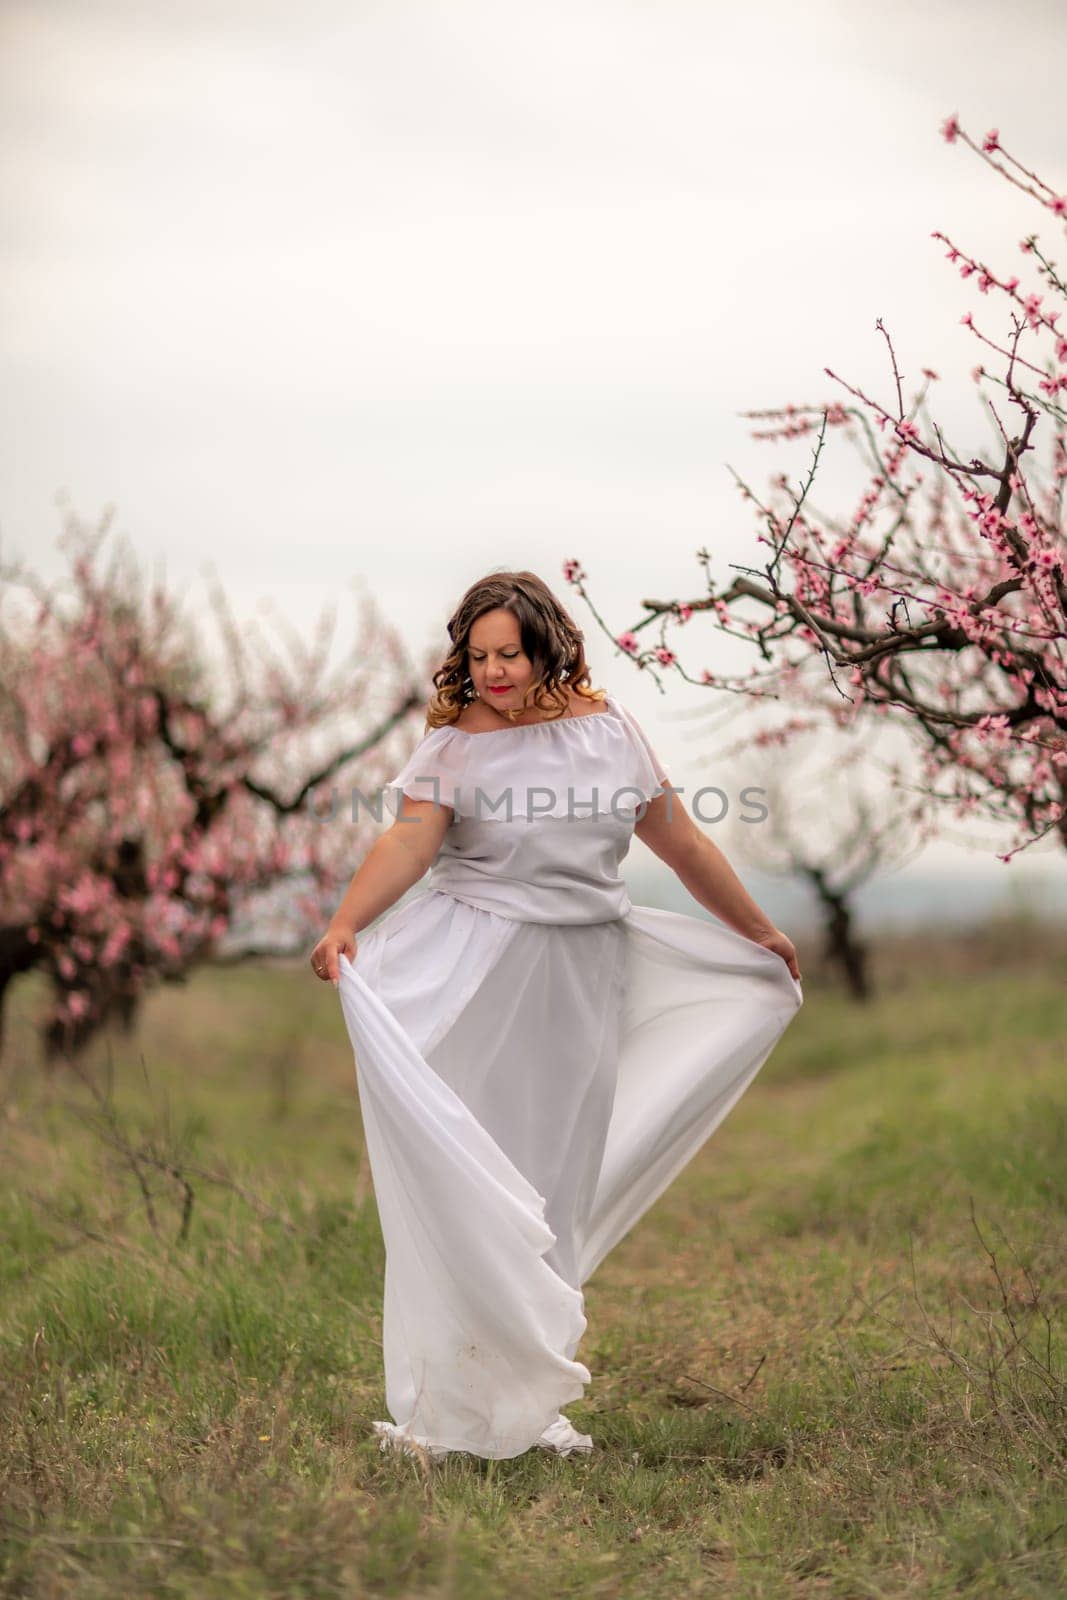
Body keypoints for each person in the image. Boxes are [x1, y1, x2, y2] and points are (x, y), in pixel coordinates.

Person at [310, 570, 803, 1462]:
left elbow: (681, 841)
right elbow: (410, 840)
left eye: (510, 653)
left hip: (582, 979)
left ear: (549, 647)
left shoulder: (611, 733)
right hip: (475, 975)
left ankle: (530, 1402)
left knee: (553, 1190)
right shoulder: (456, 748)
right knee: (479, 1180)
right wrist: (347, 922)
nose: (493, 672)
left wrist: (758, 930)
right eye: (479, 655)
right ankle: (446, 1407)